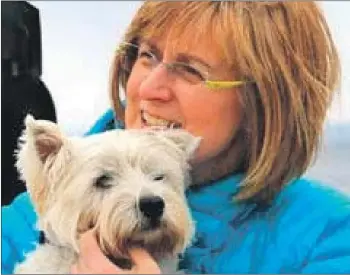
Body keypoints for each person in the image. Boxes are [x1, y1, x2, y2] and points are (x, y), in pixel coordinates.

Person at [2, 1, 350, 274]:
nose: (150, 88)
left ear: (264, 99)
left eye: (191, 70)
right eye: (147, 56)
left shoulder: (330, 237)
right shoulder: (19, 225)